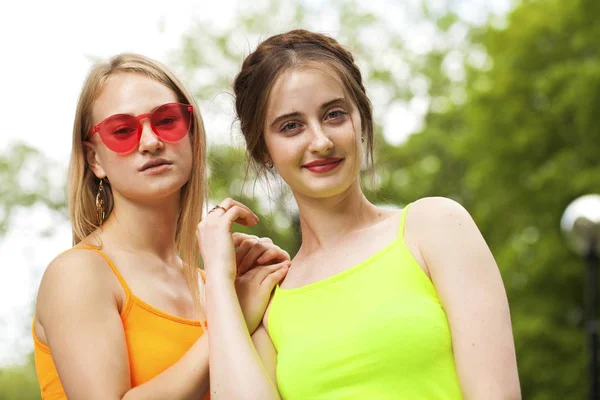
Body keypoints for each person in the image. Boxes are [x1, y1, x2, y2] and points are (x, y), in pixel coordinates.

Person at [197, 29, 522, 399]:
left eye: (334, 115)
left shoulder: (435, 227)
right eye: (291, 126)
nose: (321, 142)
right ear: (264, 150)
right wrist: (221, 284)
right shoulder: (269, 298)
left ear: (361, 120)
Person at [32, 53, 290, 400]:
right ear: (95, 159)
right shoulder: (79, 273)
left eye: (167, 121)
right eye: (122, 131)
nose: (151, 141)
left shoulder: (212, 283)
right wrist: (233, 316)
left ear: (193, 138)